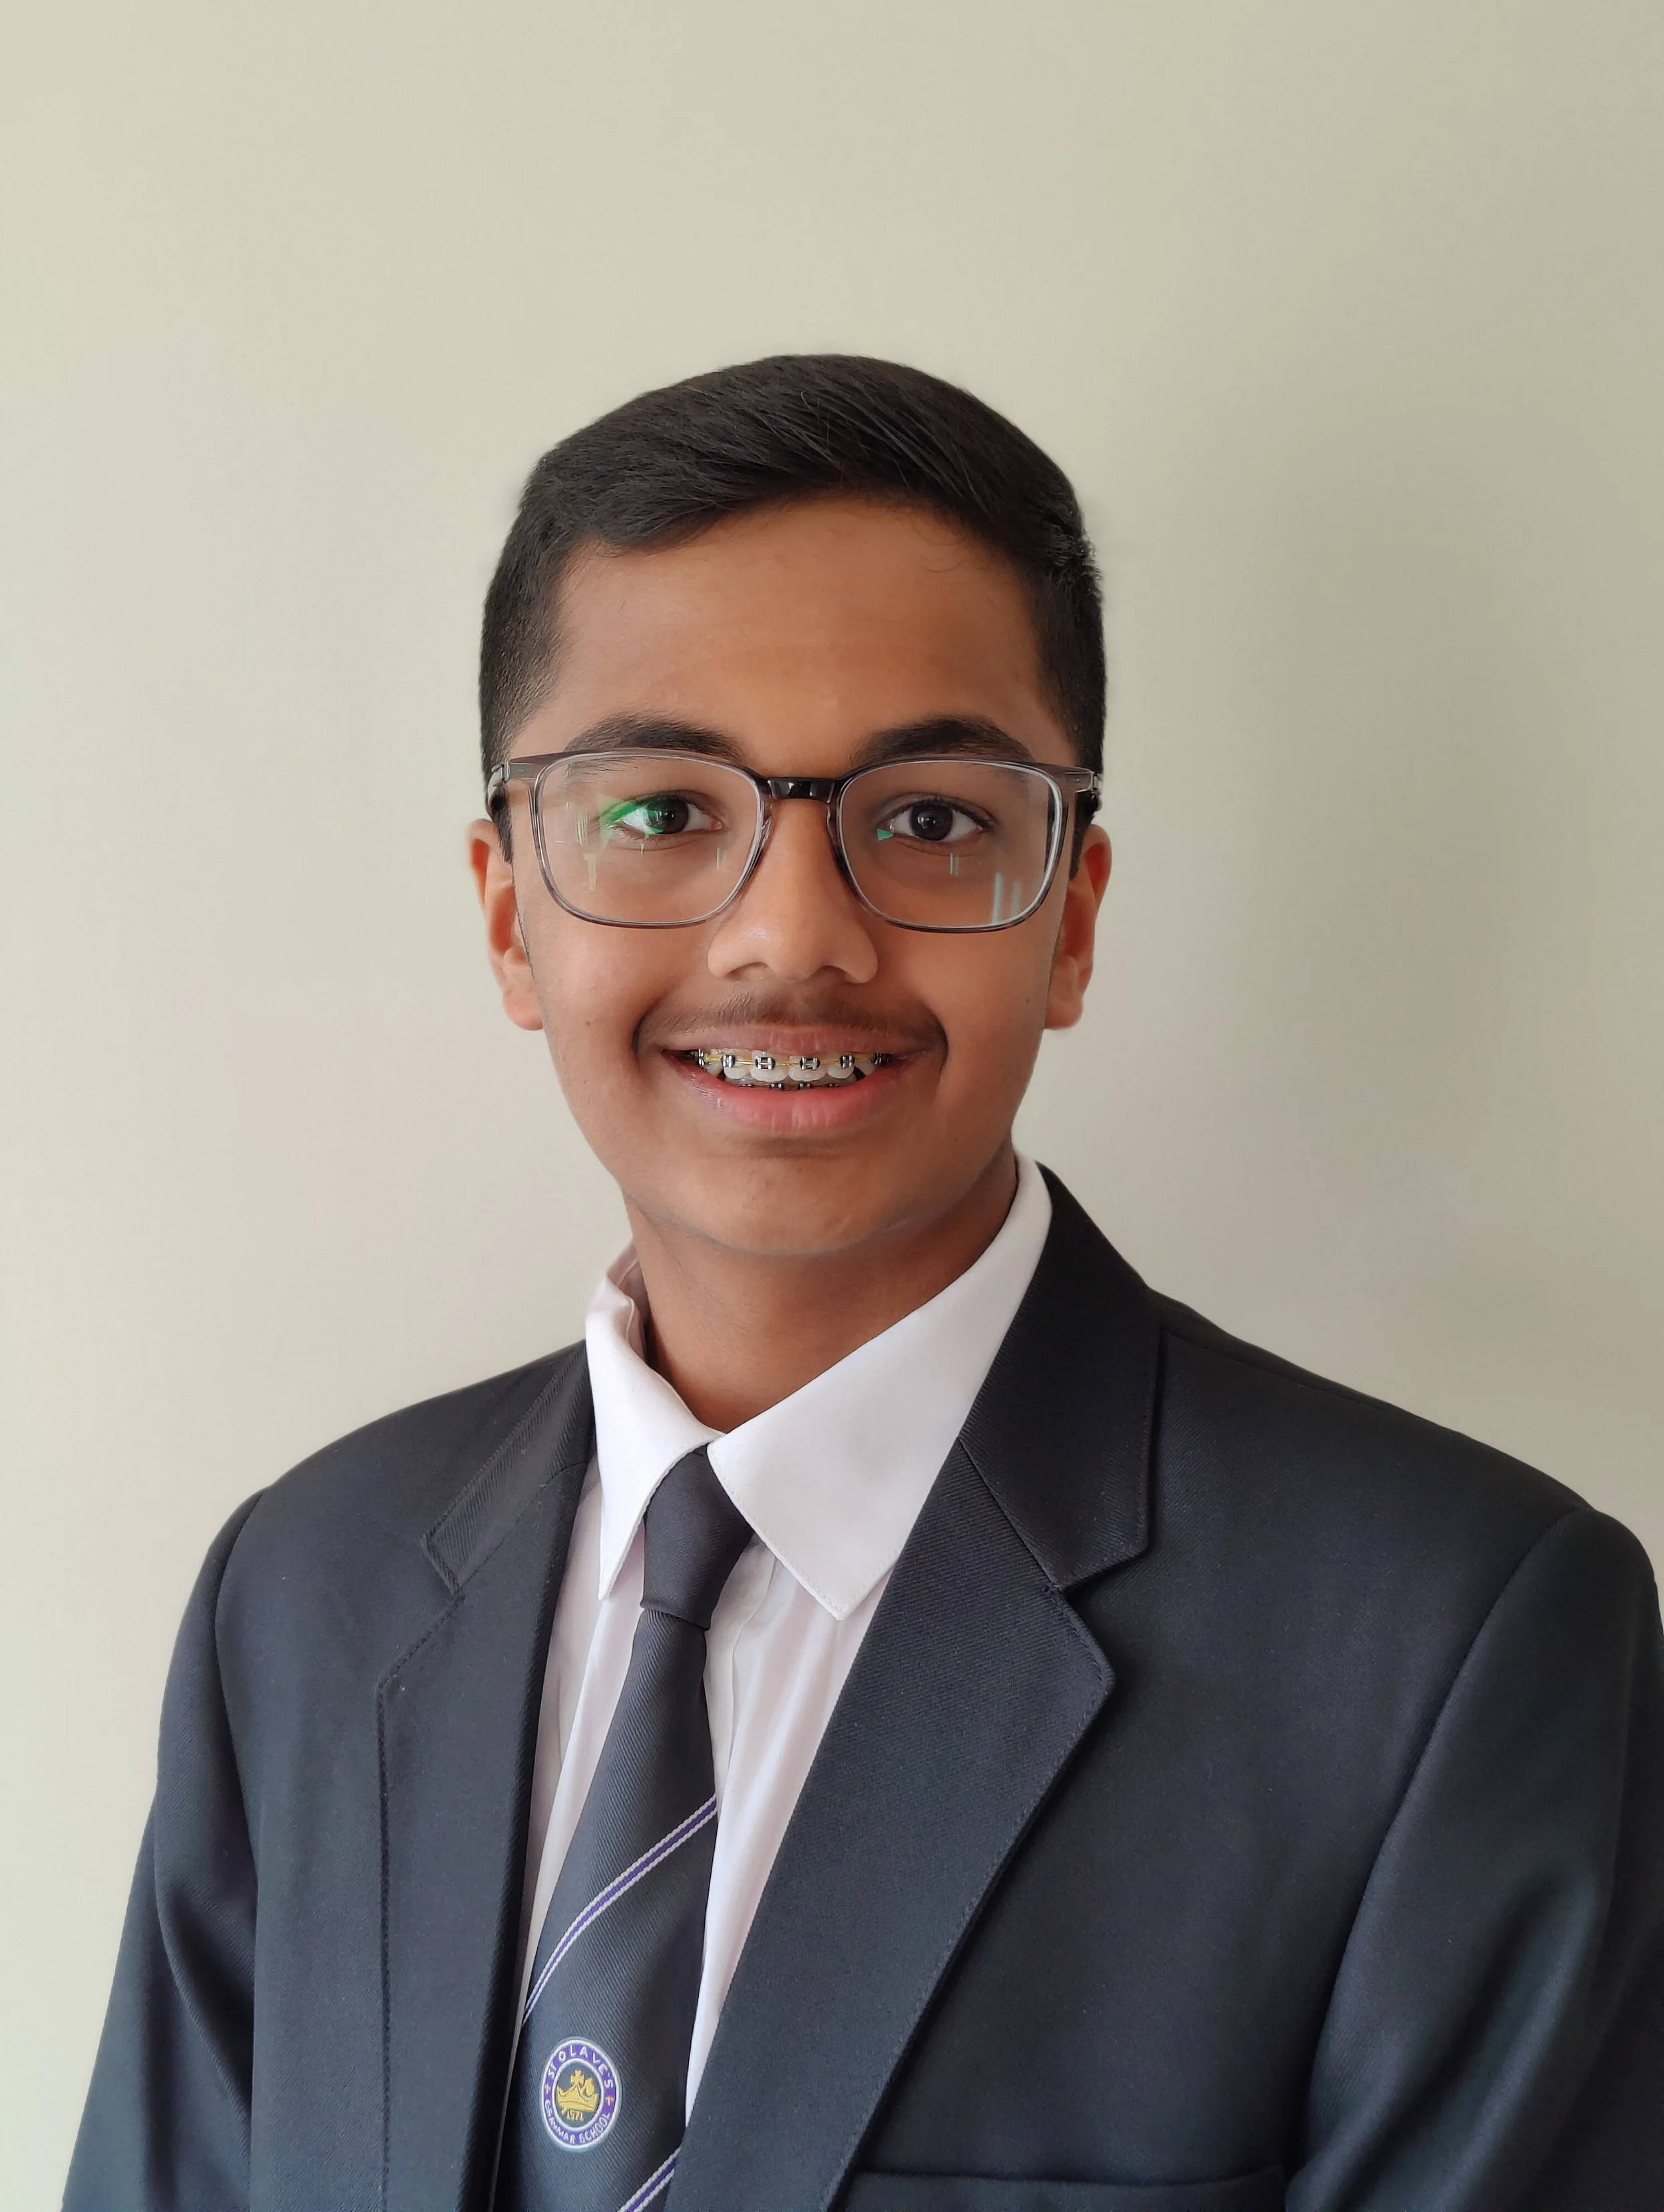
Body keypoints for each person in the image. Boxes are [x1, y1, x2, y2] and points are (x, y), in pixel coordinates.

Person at [67, 356, 1663, 2212]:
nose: (791, 937)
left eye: (925, 818)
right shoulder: (308, 1591)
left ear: (1068, 917)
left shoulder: (1448, 1641)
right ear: (511, 910)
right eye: (661, 811)